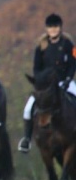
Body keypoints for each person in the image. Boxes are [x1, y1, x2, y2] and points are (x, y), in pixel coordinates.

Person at [18, 13, 76, 153]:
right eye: (50, 27)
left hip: (64, 82)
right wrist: (40, 82)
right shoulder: (41, 46)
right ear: (47, 29)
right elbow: (36, 68)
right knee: (27, 109)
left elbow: (73, 64)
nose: (53, 29)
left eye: (56, 27)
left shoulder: (68, 44)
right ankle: (26, 139)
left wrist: (68, 79)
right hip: (46, 86)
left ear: (60, 27)